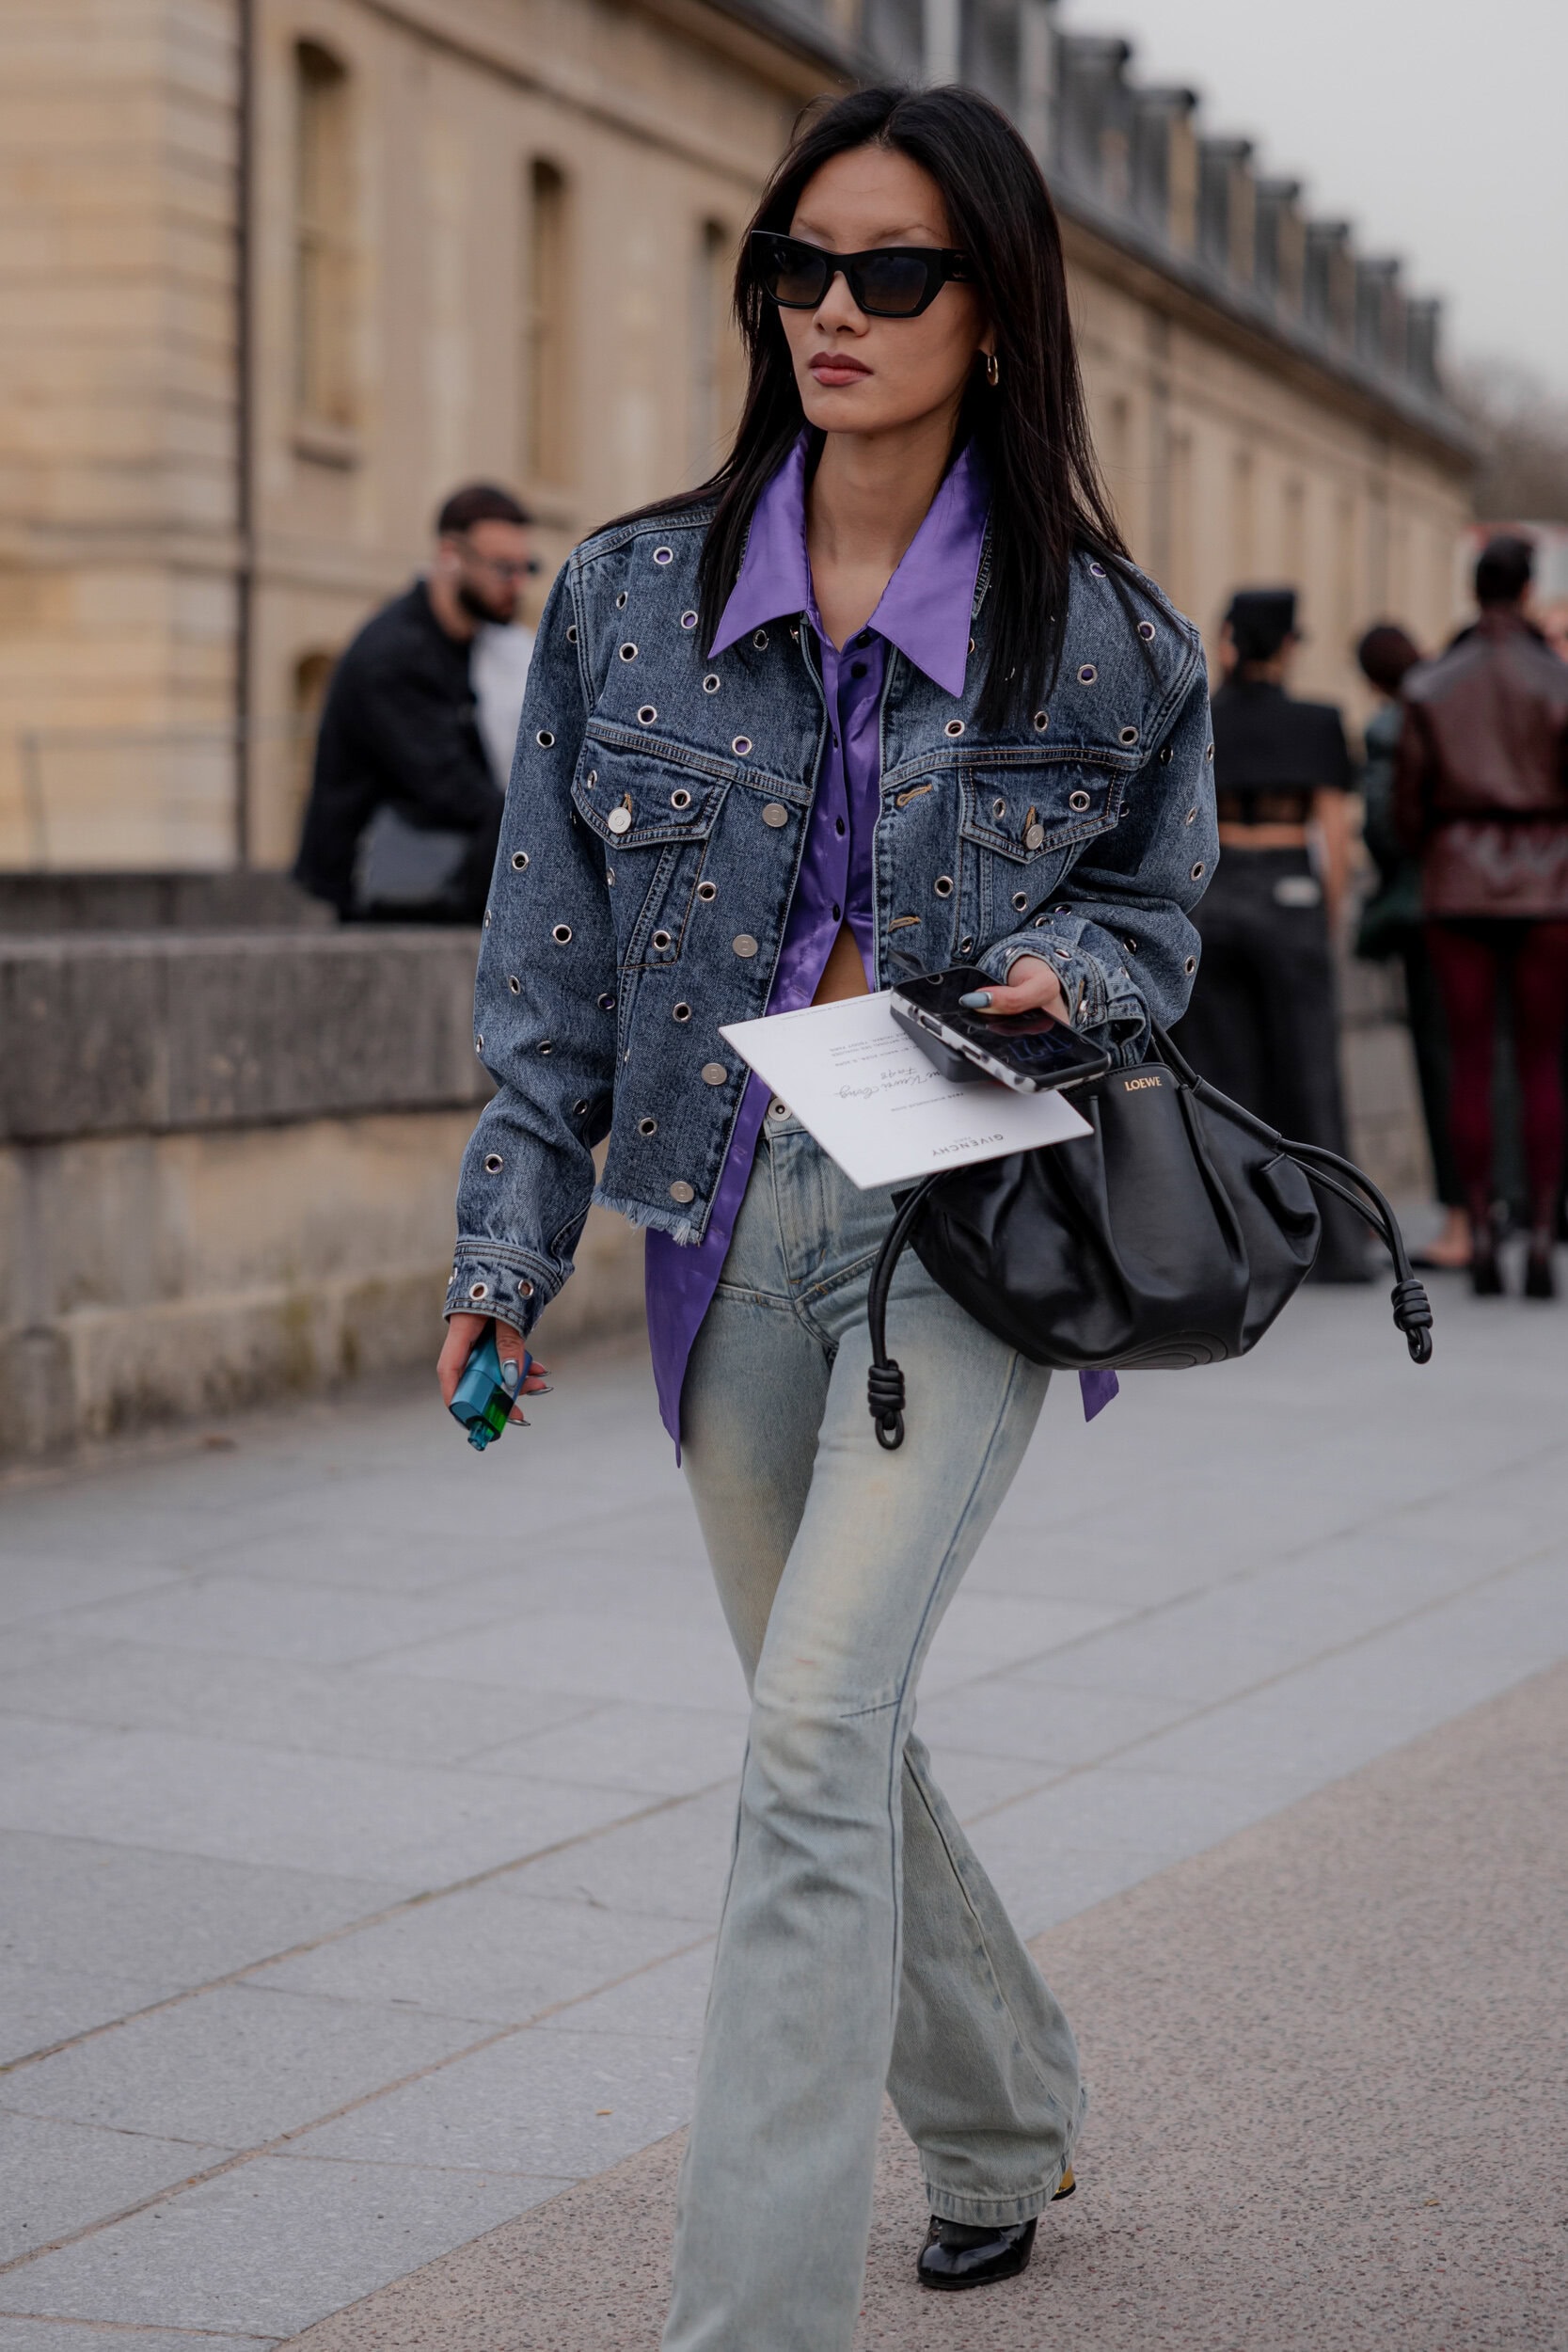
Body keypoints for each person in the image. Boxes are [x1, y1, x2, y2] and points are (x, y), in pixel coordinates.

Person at [436, 83, 1215, 2348]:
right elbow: (547, 985)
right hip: (714, 1204)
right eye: (801, 265)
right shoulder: (622, 597)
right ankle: (997, 2111)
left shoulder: (1112, 645)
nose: (834, 311)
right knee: (829, 1716)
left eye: (894, 272)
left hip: (958, 1207)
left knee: (799, 1744)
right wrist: (503, 1257)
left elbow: (1160, 923)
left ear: (993, 312)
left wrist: (1092, 974)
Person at [1175, 587, 1369, 1279]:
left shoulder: (1200, 714)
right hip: (1288, 887)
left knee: (1217, 1075)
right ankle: (1334, 1243)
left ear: (1227, 640)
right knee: (1308, 1067)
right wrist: (1326, 913)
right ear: (1288, 647)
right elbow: (1336, 836)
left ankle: (1232, 1238)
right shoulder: (1317, 721)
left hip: (1212, 888)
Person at [1396, 532, 1568, 1297]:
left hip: (1458, 877)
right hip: (1548, 879)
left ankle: (1482, 1229)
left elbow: (1405, 806)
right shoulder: (1557, 682)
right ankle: (1538, 1234)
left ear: (1473, 590)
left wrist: (1437, 848)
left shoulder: (1432, 685)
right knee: (1540, 1064)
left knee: (1468, 1061)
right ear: (1528, 592)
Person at [295, 483, 533, 922]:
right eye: (503, 568)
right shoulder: (393, 654)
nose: (517, 585)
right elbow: (450, 789)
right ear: (450, 555)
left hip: (431, 881)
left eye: (526, 568)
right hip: (376, 899)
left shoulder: (485, 646)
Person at [1354, 622, 1470, 1270]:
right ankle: (1511, 1216)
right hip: (1517, 908)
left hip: (1433, 909)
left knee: (1442, 1063)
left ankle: (1459, 1223)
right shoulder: (1466, 706)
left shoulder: (1394, 724)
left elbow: (1384, 826)